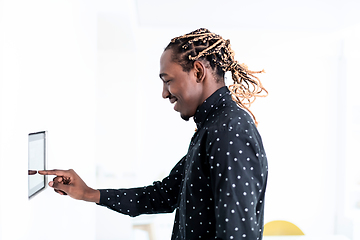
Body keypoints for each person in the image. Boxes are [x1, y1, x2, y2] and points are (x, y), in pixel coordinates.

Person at [39, 28, 268, 240]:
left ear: (198, 72)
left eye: (168, 81)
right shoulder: (212, 128)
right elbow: (163, 195)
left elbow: (238, 235)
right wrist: (89, 193)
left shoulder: (229, 130)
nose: (164, 93)